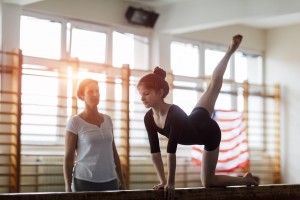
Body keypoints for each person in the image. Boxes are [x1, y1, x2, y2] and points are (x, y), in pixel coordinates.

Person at [137, 35, 258, 200]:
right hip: (197, 117)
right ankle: (245, 179)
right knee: (212, 86)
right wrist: (162, 181)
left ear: (160, 93)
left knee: (208, 182)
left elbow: (171, 152)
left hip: (208, 132)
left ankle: (230, 51)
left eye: (146, 93)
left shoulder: (174, 114)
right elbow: (155, 153)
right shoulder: (148, 118)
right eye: (140, 94)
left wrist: (170, 183)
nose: (142, 98)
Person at [63, 79, 126, 192]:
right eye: (90, 91)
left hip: (110, 180)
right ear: (82, 95)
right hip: (84, 181)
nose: (96, 94)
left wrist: (121, 180)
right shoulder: (75, 121)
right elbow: (68, 158)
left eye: (97, 91)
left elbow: (114, 152)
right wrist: (68, 187)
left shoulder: (108, 119)